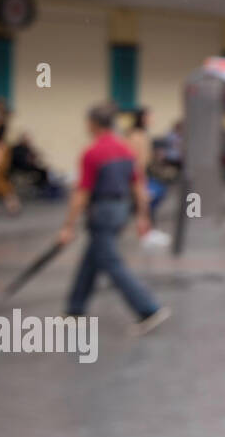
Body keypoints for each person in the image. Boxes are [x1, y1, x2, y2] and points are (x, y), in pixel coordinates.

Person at [58, 104, 170, 333]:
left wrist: (68, 225)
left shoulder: (93, 153)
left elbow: (82, 192)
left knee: (111, 262)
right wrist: (143, 216)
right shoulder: (126, 150)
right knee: (92, 258)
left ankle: (148, 308)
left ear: (94, 124)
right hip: (121, 209)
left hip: (102, 211)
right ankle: (74, 308)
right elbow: (138, 185)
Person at [126, 108, 171, 245]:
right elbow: (135, 159)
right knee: (143, 203)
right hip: (137, 175)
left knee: (148, 201)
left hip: (144, 174)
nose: (152, 120)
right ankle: (145, 233)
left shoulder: (143, 134)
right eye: (149, 116)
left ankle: (147, 230)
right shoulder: (135, 135)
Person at [0, 122, 21, 215]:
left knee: (5, 189)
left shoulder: (0, 145)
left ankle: (14, 207)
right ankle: (13, 207)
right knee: (5, 190)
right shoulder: (2, 145)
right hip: (0, 172)